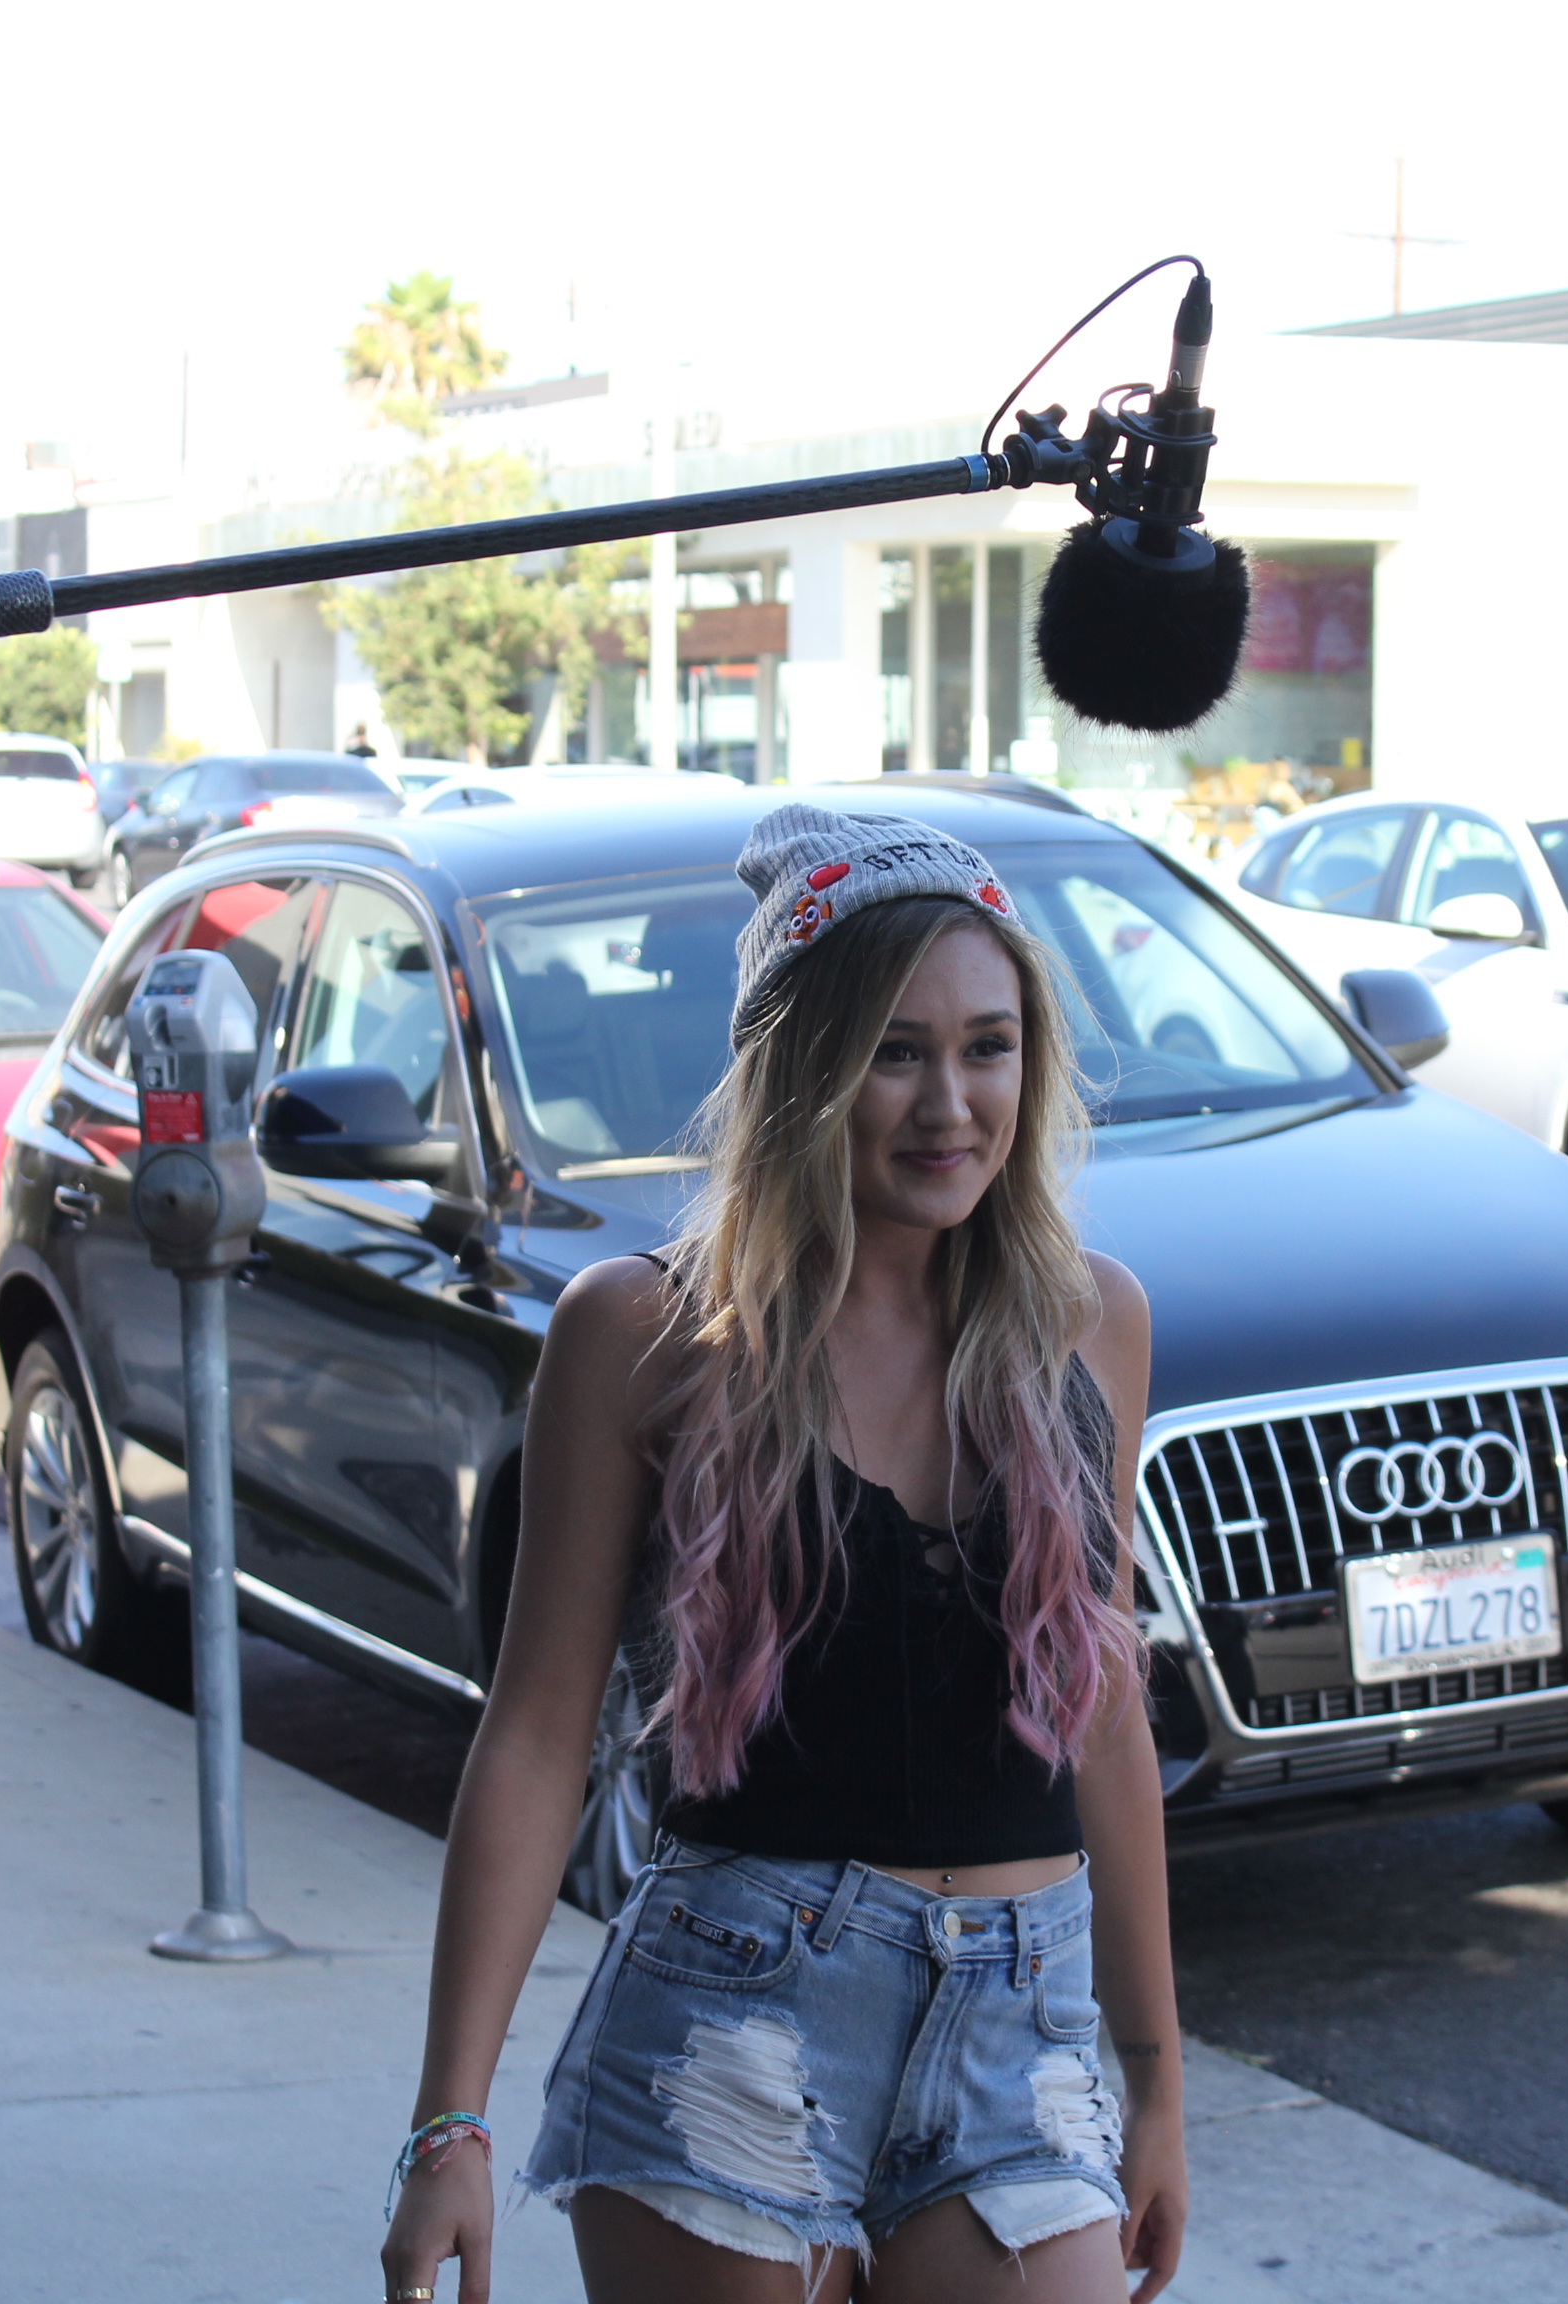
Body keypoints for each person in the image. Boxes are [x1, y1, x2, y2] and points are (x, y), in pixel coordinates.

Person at [380, 803, 1187, 2304]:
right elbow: (541, 1731)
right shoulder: (649, 1334)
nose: (951, 1102)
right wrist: (450, 2122)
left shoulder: (1092, 1326)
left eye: (990, 1046)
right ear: (802, 1069)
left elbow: (1105, 1714)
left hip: (1020, 2026)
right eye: (894, 1051)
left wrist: (1155, 2078)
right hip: (732, 2022)